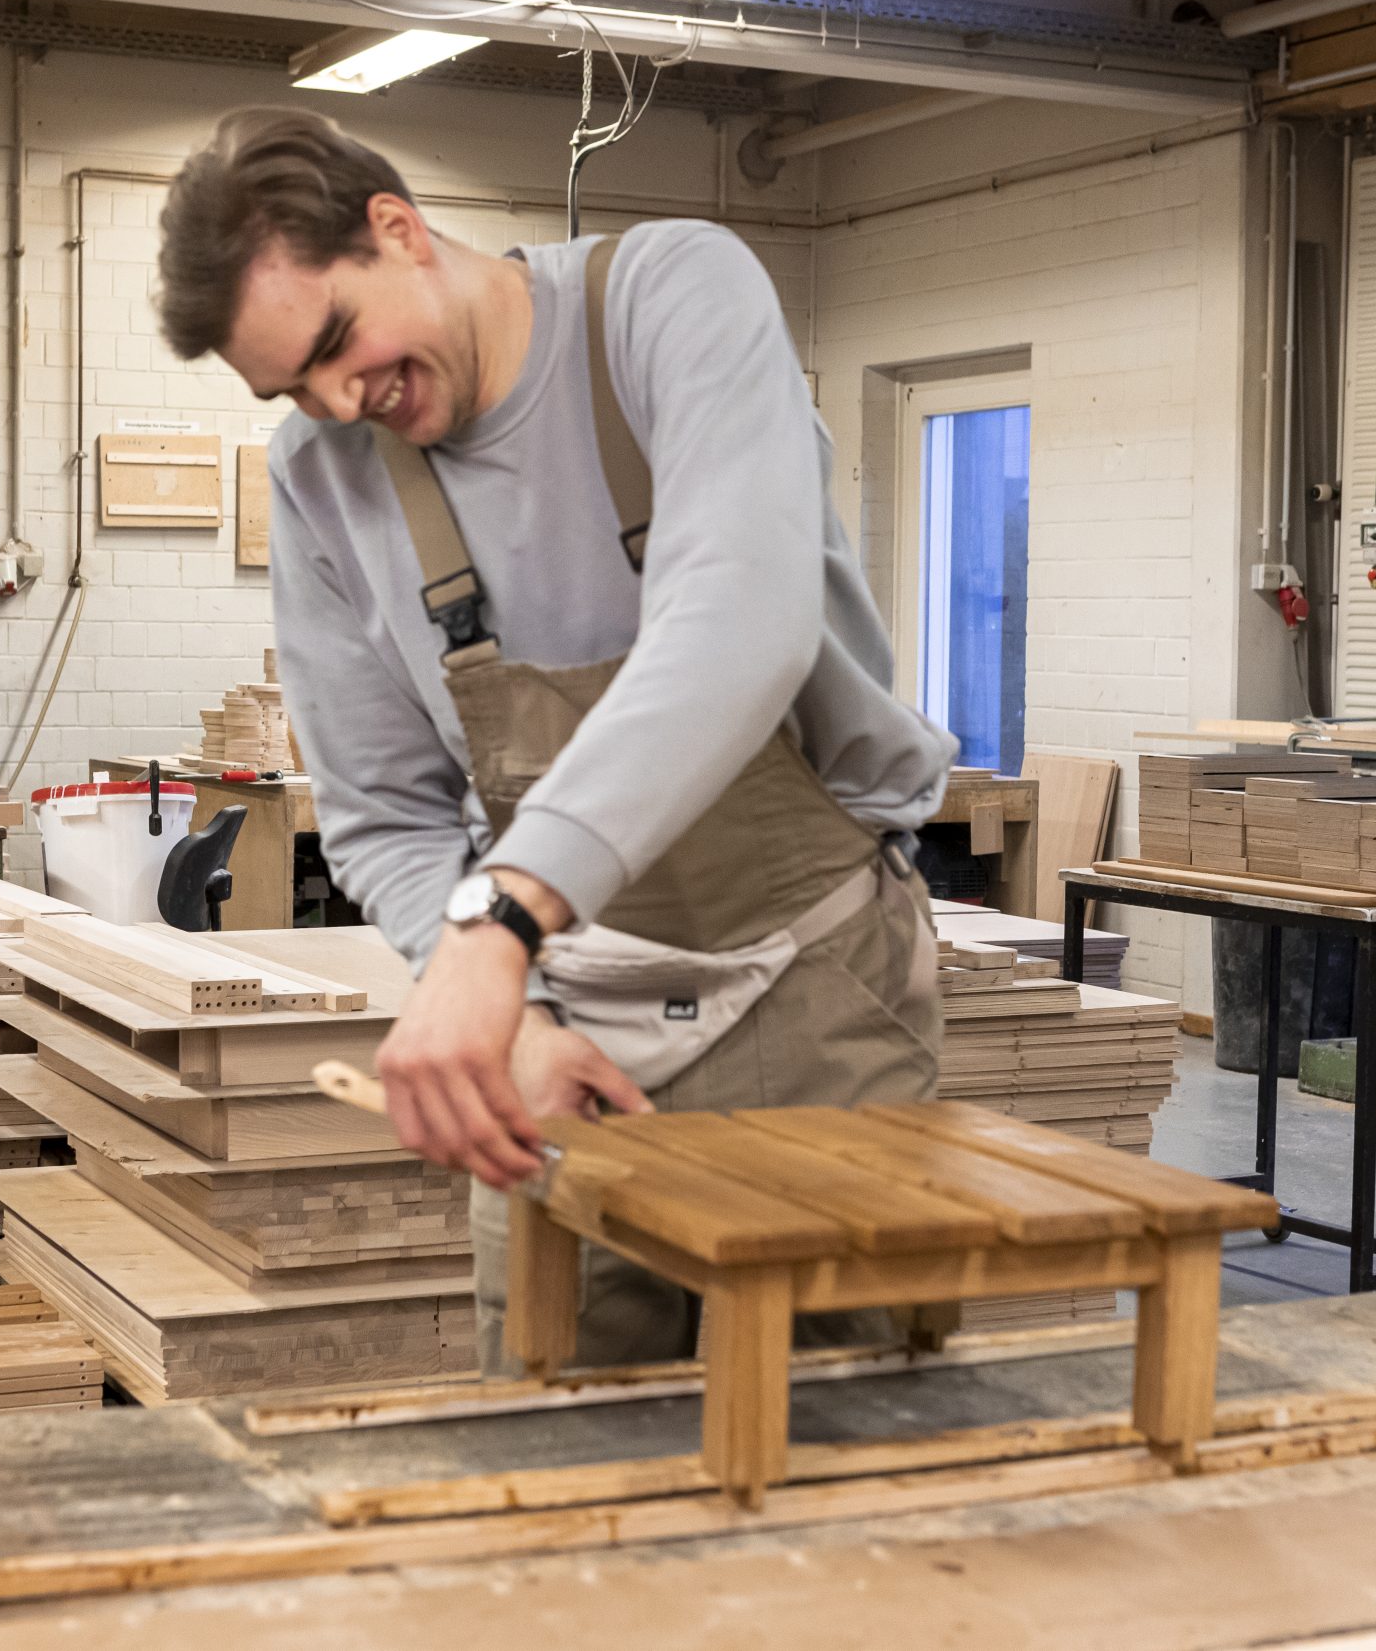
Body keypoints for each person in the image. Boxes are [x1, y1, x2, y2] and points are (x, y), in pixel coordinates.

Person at [155, 108, 958, 1373]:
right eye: (291, 388)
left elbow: (736, 627)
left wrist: (497, 931)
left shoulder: (665, 300)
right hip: (566, 1028)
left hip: (816, 990)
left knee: (843, 1436)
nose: (336, 401)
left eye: (334, 345)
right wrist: (511, 1012)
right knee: (560, 1432)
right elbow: (387, 816)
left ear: (398, 230)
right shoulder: (324, 474)